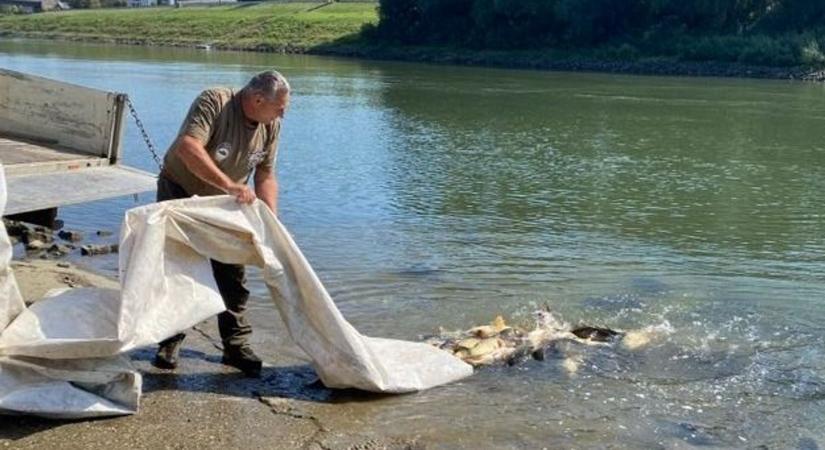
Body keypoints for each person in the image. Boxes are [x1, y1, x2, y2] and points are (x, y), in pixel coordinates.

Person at [152, 70, 290, 378]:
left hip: (227, 202)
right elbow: (188, 147)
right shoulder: (214, 101)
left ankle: (235, 345)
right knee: (178, 267)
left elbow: (265, 175)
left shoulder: (271, 126)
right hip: (182, 191)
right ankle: (169, 340)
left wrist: (272, 221)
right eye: (280, 107)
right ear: (257, 100)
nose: (283, 113)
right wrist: (228, 184)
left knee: (232, 272)